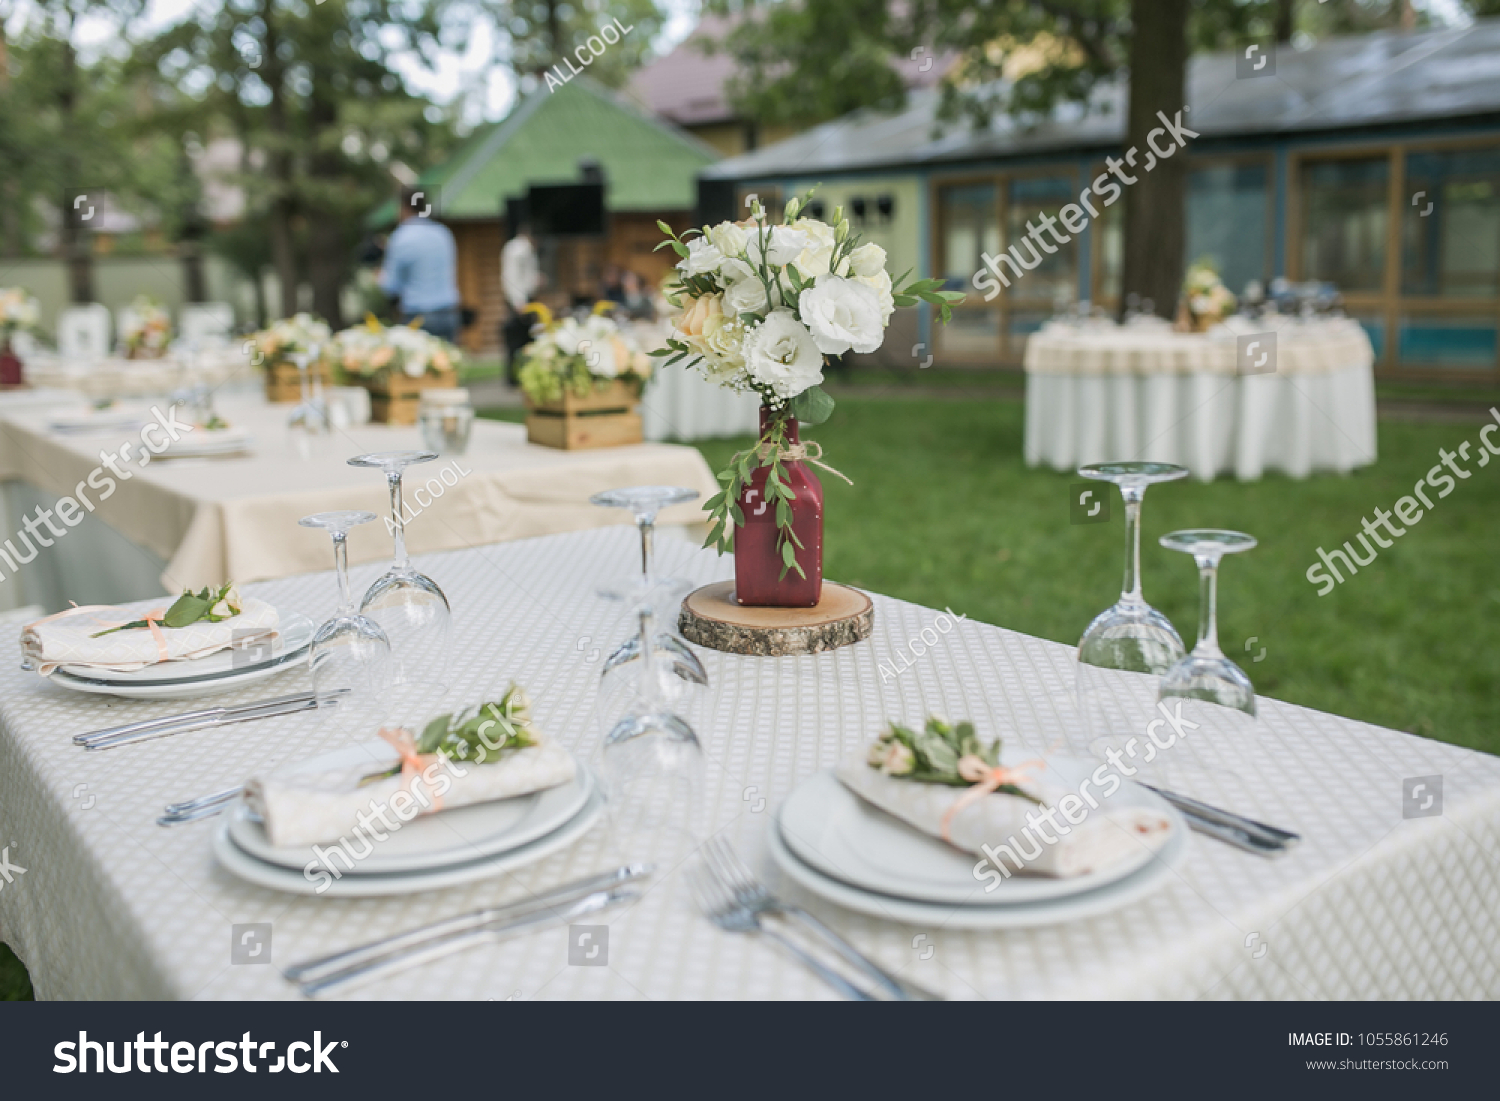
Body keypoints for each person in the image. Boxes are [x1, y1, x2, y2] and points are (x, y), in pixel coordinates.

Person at [379, 186, 462, 341]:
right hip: (448, 312)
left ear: (404, 207)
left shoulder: (401, 237)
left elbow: (390, 286)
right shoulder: (443, 233)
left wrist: (378, 275)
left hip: (417, 316)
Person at [501, 221, 543, 382]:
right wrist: (519, 301)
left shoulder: (525, 249)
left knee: (527, 340)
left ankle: (524, 375)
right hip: (520, 302)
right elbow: (511, 277)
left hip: (524, 300)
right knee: (518, 342)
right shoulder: (518, 249)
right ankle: (515, 378)